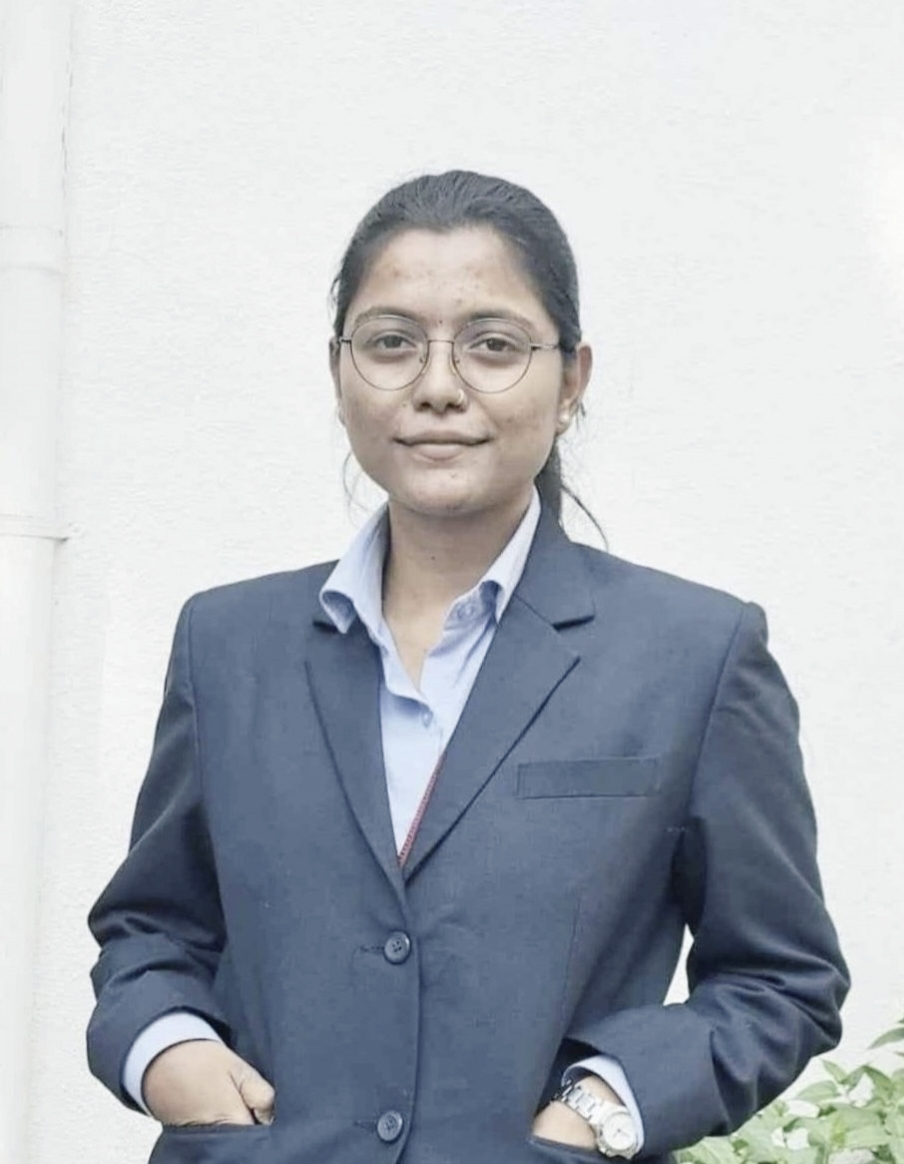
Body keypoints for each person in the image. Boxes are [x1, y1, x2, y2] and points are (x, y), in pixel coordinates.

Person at [86, 170, 848, 1164]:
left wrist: (604, 1106)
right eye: (391, 342)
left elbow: (779, 979)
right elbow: (152, 926)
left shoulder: (694, 655)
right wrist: (167, 1051)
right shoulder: (228, 643)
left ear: (570, 381)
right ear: (338, 372)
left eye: (492, 345)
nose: (438, 386)